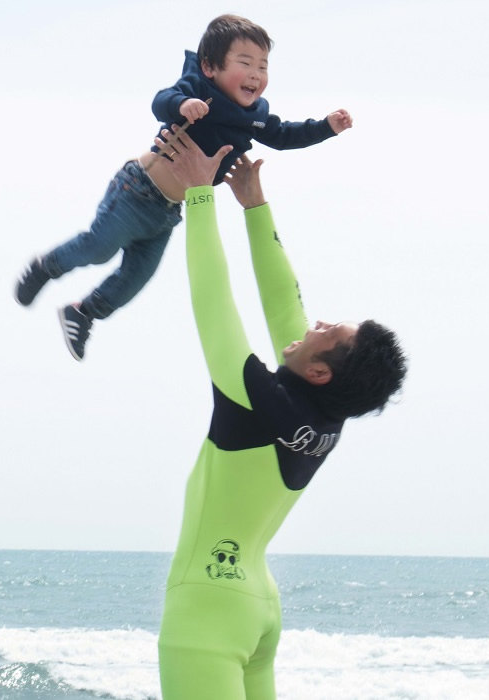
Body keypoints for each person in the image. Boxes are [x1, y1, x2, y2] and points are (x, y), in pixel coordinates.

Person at [151, 128, 405, 699]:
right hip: (257, 607)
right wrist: (255, 208)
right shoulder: (322, 416)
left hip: (208, 609)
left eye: (328, 331)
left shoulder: (257, 399)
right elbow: (285, 306)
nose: (313, 323)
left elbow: (213, 303)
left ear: (323, 370)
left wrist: (199, 197)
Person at [13, 14, 354, 360]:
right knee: (100, 248)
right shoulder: (198, 89)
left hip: (167, 213)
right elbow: (161, 100)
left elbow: (285, 136)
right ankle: (46, 267)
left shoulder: (256, 115)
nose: (256, 74)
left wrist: (326, 127)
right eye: (245, 62)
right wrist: (181, 104)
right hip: (137, 190)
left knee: (137, 277)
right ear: (210, 67)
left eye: (263, 67)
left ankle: (83, 312)